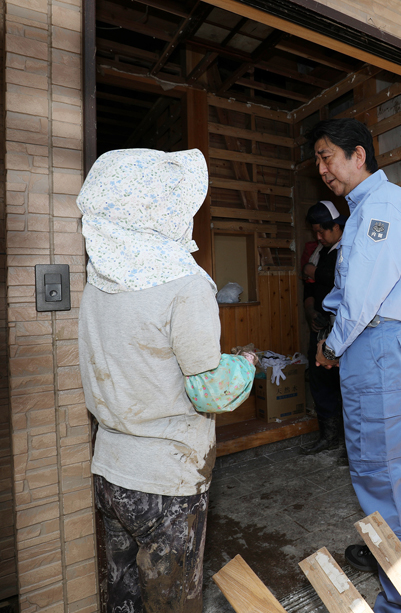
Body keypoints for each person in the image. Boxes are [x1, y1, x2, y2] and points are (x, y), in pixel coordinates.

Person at [77, 149, 256, 613]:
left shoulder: (100, 279)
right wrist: (246, 364)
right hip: (166, 479)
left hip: (110, 470)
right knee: (173, 603)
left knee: (124, 597)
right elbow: (209, 388)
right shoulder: (185, 283)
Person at [307, 118, 401, 613]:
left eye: (327, 156)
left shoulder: (384, 205)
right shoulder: (359, 211)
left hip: (374, 343)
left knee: (388, 474)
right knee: (373, 472)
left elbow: (364, 291)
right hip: (366, 346)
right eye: (317, 160)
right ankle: (392, 568)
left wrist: (333, 344)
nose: (322, 169)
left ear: (359, 155)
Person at [301, 200, 346, 455]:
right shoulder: (319, 250)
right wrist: (309, 311)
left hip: (342, 327)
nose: (318, 237)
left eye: (322, 231)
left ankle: (350, 446)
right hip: (320, 326)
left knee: (345, 383)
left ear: (336, 226)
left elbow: (343, 280)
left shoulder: (349, 248)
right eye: (315, 232)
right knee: (320, 380)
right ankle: (328, 436)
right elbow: (308, 286)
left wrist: (313, 271)